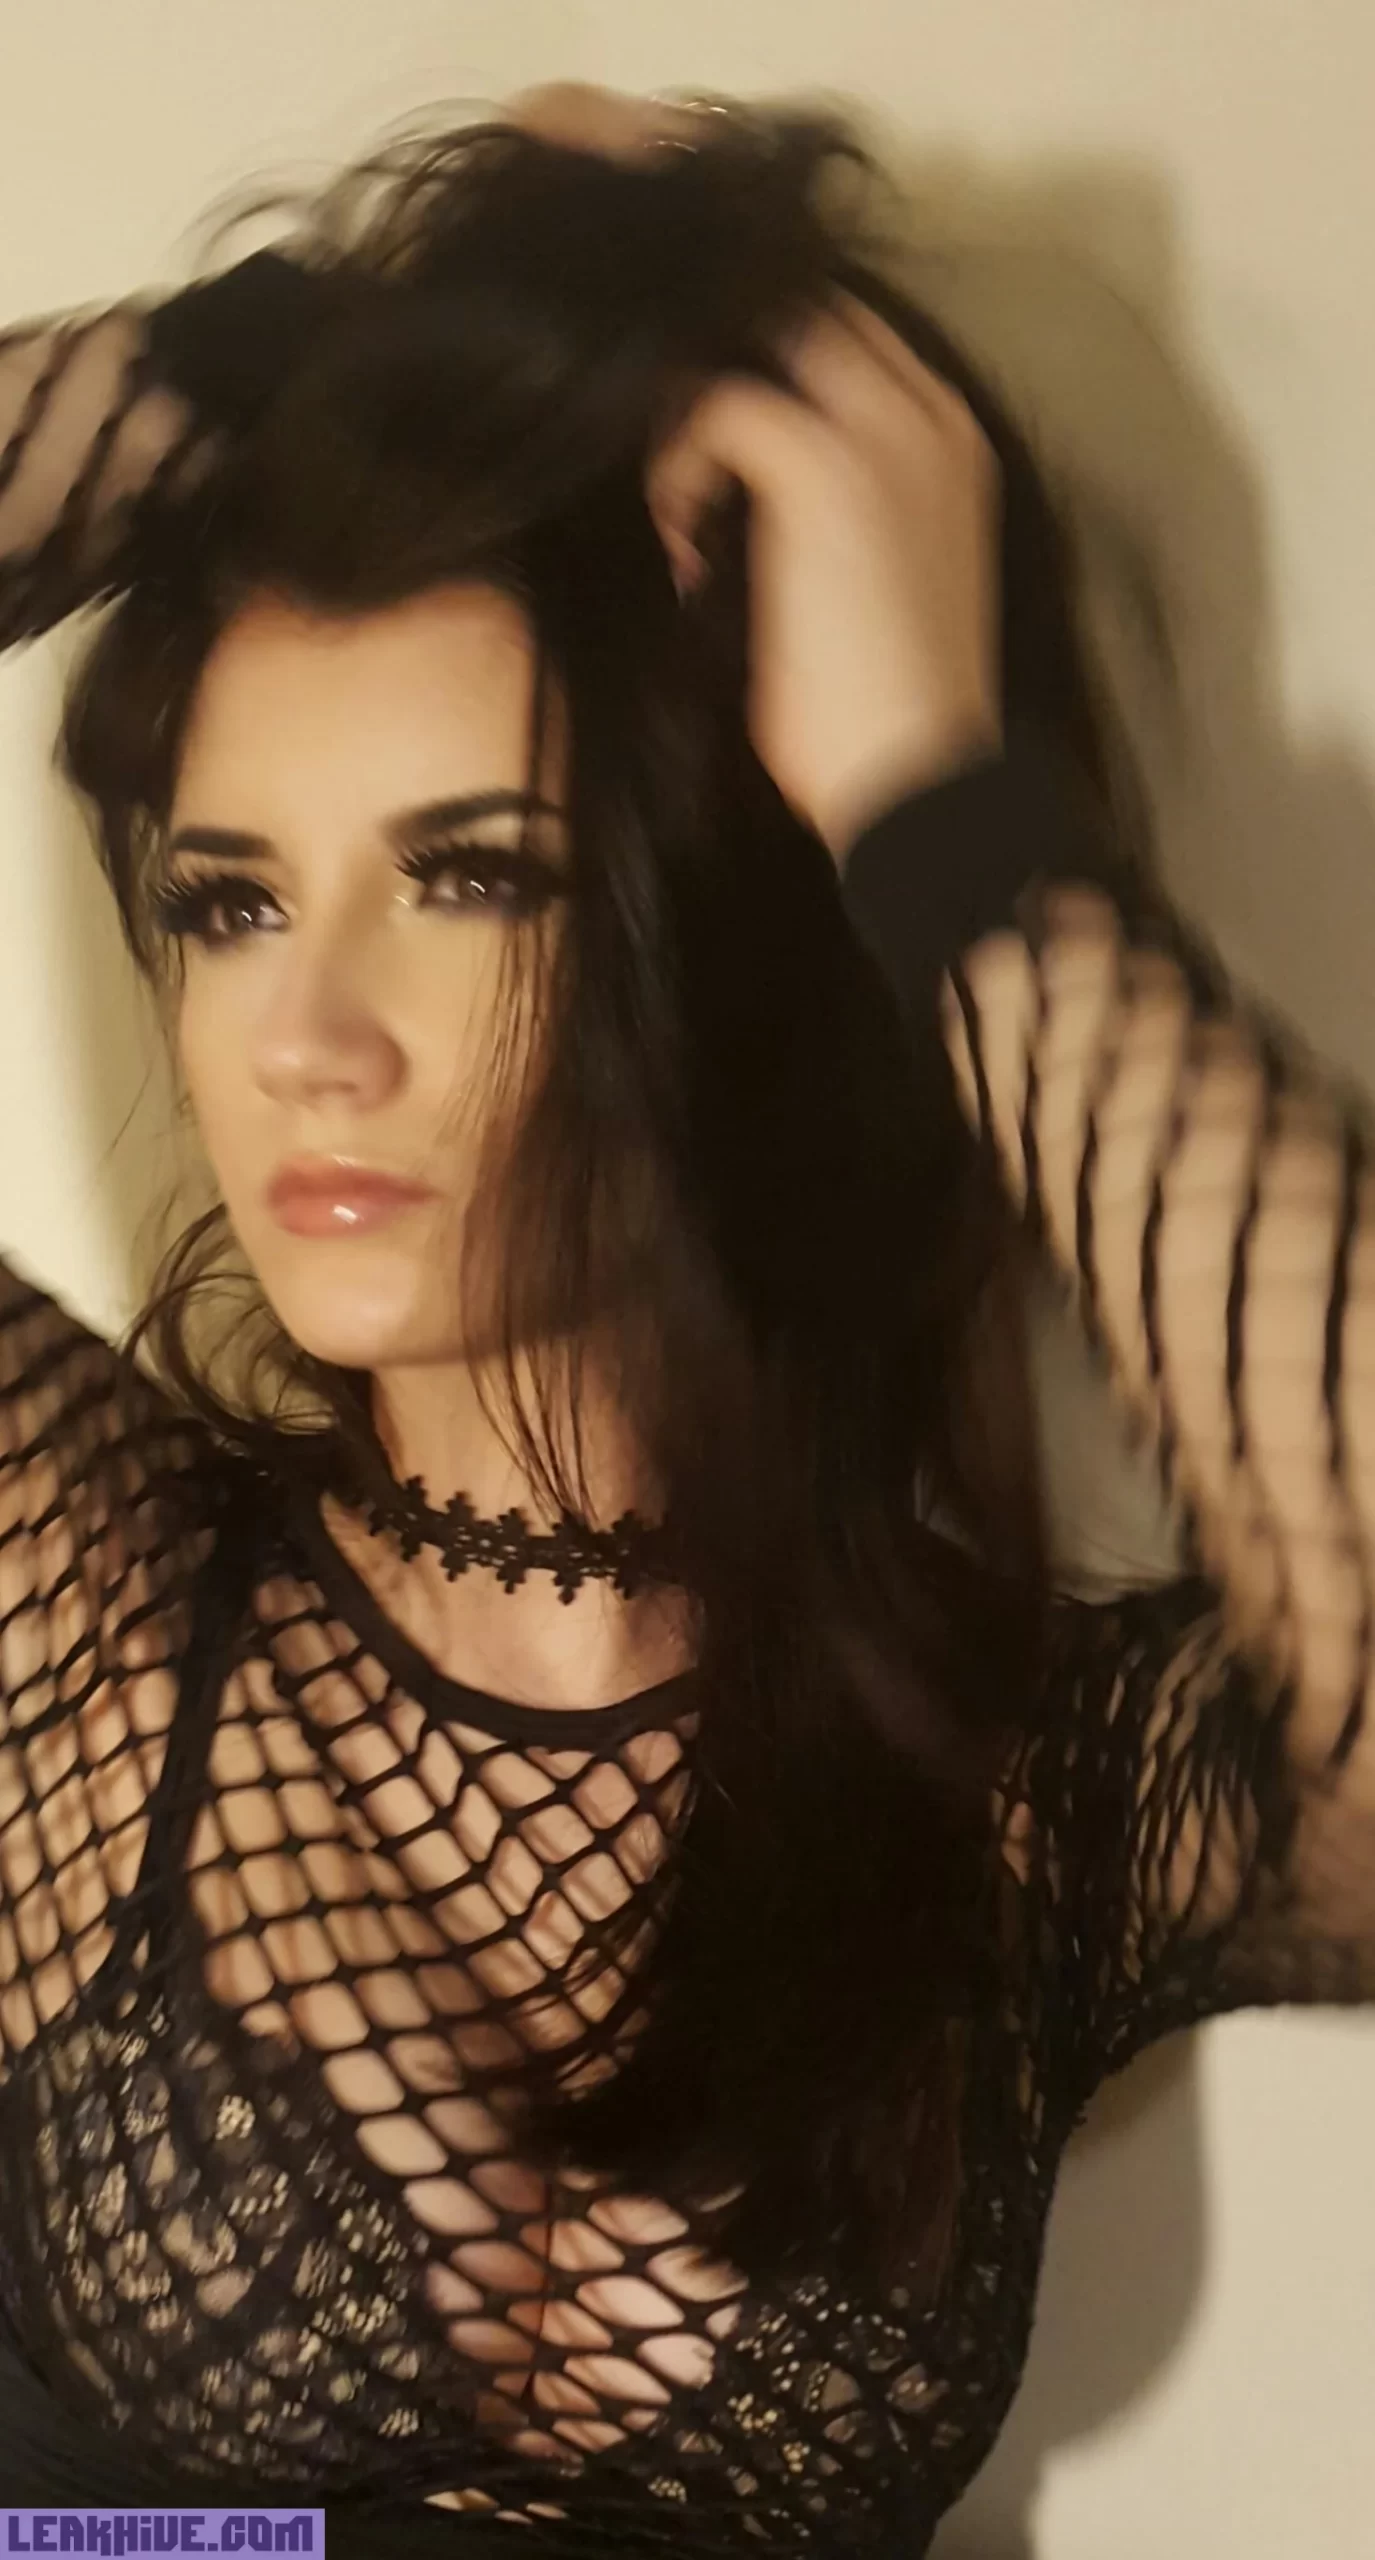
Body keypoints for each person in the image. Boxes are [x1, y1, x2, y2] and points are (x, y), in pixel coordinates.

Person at [0, 76, 1369, 2557]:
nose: (309, 1037)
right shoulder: (72, 1598)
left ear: (729, 940)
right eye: (230, 898)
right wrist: (282, 356)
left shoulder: (1016, 1787)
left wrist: (941, 817)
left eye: (474, 876)